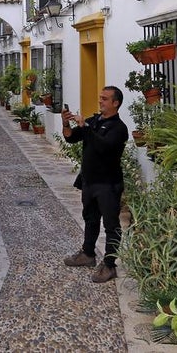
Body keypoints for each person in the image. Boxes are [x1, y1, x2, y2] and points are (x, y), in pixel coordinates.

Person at [60, 86, 129, 284]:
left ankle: (109, 265)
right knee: (90, 219)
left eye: (105, 99)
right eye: (100, 98)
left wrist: (86, 128)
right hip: (89, 182)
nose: (100, 101)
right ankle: (88, 254)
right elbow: (71, 138)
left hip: (108, 184)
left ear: (115, 103)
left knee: (111, 225)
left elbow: (103, 147)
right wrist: (66, 122)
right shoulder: (95, 121)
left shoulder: (119, 128)